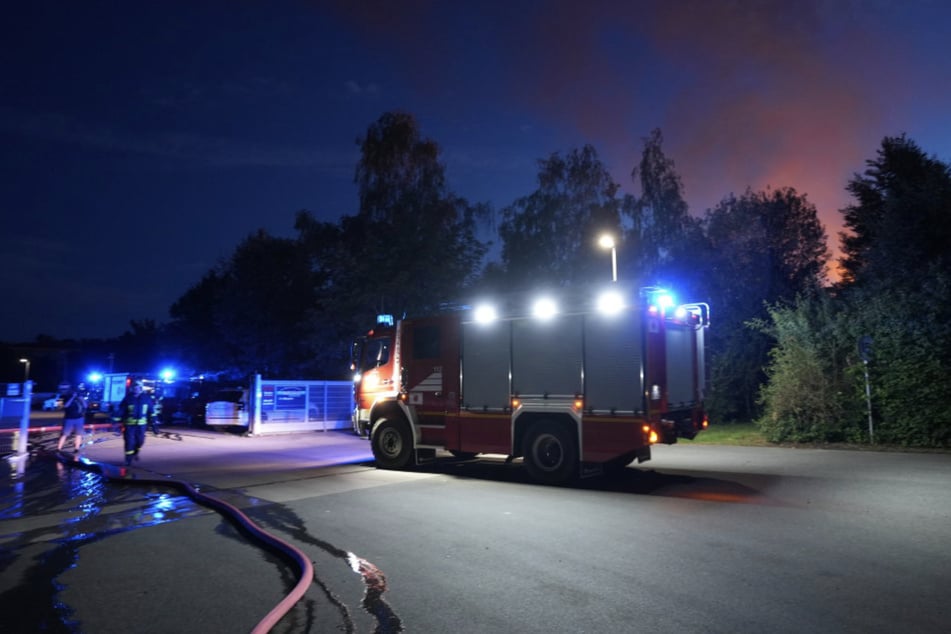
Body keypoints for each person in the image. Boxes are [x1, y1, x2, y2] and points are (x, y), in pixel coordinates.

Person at [113, 380, 155, 466]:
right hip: (129, 425)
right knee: (129, 442)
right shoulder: (128, 399)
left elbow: (152, 411)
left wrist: (154, 423)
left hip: (142, 425)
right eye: (134, 388)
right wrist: (115, 422)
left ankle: (135, 452)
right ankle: (128, 459)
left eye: (138, 388)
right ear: (132, 389)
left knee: (140, 441)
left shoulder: (146, 398)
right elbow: (121, 410)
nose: (136, 389)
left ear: (141, 388)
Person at [57, 385, 87, 453]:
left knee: (78, 434)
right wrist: (72, 397)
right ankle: (58, 448)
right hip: (69, 418)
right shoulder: (63, 397)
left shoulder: (78, 397)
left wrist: (81, 399)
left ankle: (76, 449)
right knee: (65, 434)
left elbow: (85, 406)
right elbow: (65, 406)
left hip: (79, 418)